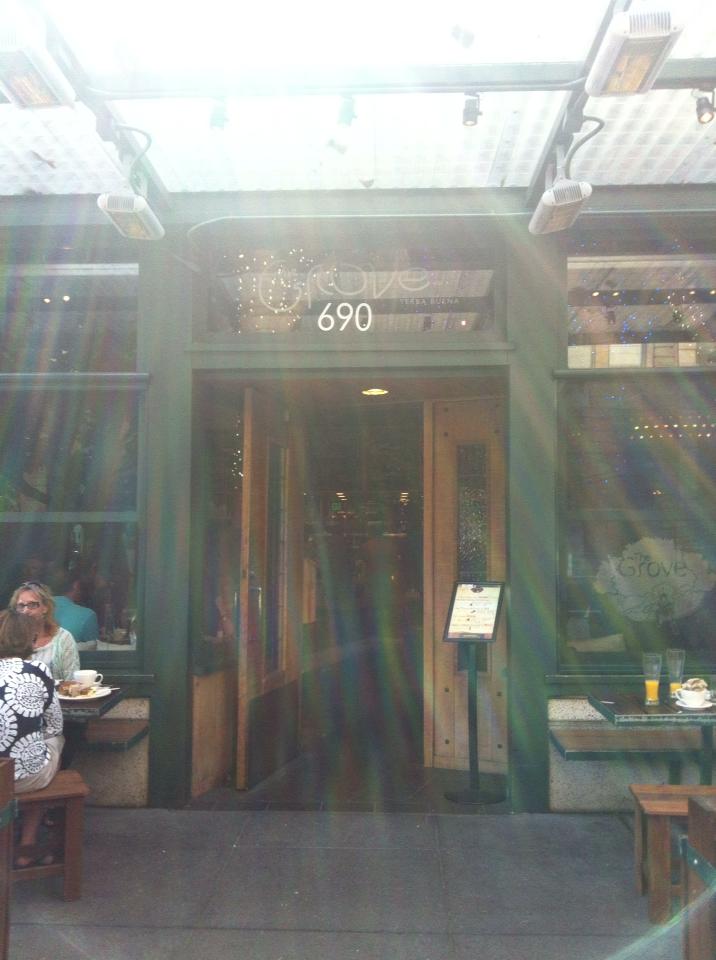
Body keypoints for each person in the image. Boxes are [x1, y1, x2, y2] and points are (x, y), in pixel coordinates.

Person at [0, 609, 64, 867]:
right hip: (24, 779)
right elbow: (55, 725)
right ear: (32, 640)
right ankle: (27, 844)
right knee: (54, 742)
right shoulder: (37, 670)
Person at [9, 581, 80, 680]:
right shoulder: (9, 638)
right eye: (21, 606)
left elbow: (71, 682)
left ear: (45, 608)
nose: (25, 611)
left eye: (32, 605)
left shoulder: (63, 638)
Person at [52, 569, 99, 652]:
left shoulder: (38, 607)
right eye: (86, 586)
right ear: (76, 585)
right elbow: (93, 652)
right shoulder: (87, 615)